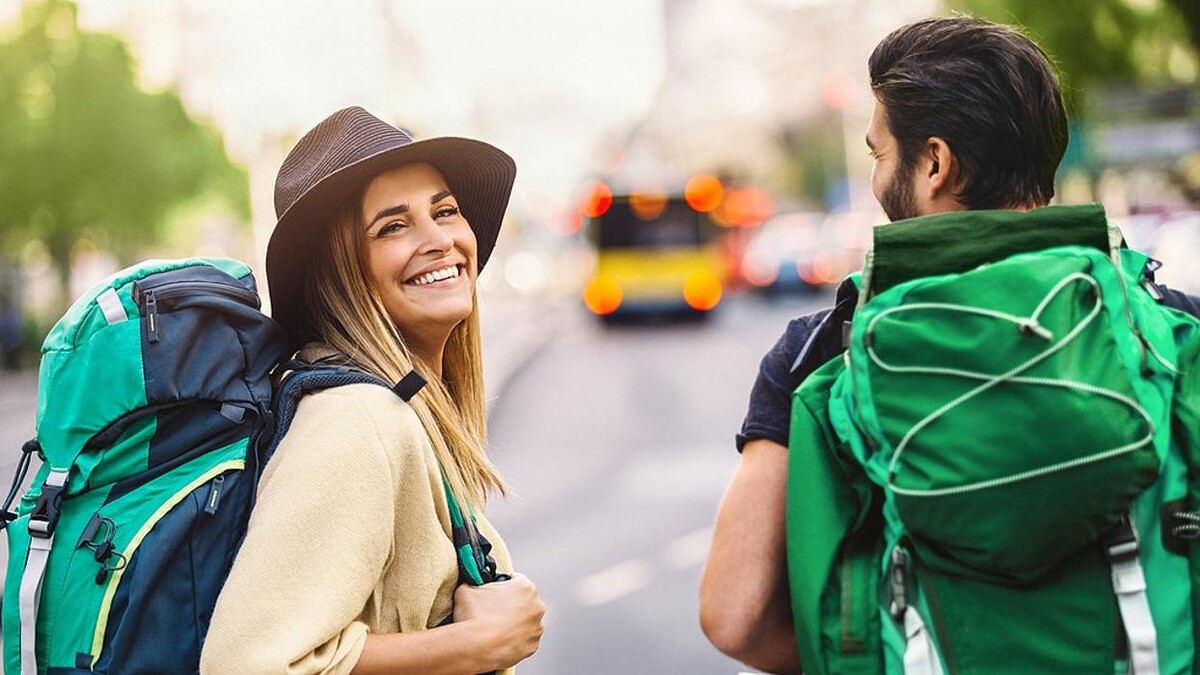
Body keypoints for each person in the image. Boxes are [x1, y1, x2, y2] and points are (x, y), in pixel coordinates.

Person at [698, 16, 1200, 674]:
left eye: (878, 153)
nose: (877, 179)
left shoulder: (823, 352)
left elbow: (733, 615)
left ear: (934, 164)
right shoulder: (1168, 326)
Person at [201, 106, 545, 674]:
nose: (439, 240)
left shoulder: (401, 406)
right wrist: (477, 643)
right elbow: (245, 665)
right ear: (342, 271)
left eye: (446, 211)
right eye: (393, 225)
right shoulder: (357, 419)